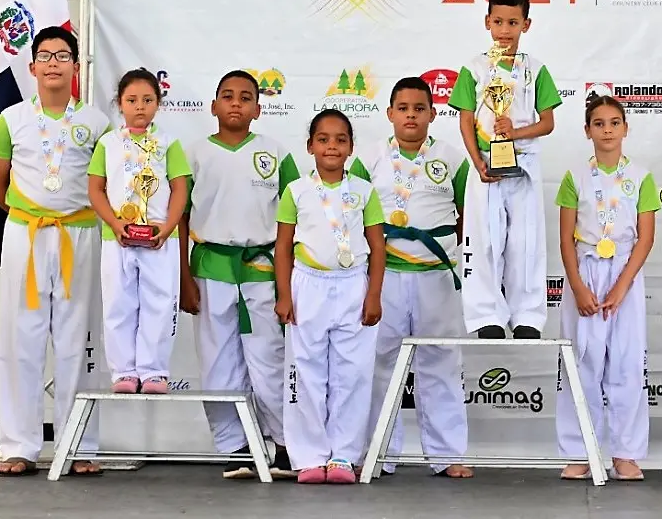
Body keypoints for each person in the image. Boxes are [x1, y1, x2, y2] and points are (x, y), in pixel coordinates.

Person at [0, 27, 110, 477]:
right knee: (20, 338)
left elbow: (108, 184)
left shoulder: (97, 123)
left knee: (80, 339)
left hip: (80, 233)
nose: (53, 62)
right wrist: (31, 212)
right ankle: (18, 445)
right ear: (32, 66)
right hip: (28, 234)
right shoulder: (12, 119)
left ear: (76, 66)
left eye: (63, 55)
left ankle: (79, 445)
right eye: (45, 55)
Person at [178, 70, 300, 479]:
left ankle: (285, 442)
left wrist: (288, 284)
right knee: (217, 362)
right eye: (227, 96)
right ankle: (236, 446)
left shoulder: (275, 153)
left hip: (262, 269)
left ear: (258, 109)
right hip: (210, 266)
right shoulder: (192, 154)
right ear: (213, 106)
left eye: (245, 97)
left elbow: (295, 219)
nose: (236, 103)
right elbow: (179, 219)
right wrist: (183, 278)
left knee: (268, 359)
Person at [351, 77, 472, 479]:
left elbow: (466, 216)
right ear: (389, 114)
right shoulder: (368, 159)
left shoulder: (453, 159)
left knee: (441, 361)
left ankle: (448, 454)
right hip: (384, 275)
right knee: (379, 362)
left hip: (435, 274)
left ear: (432, 114)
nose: (411, 115)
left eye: (419, 108)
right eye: (402, 108)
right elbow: (352, 214)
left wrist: (448, 255)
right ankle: (378, 452)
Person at [275, 109, 385, 484]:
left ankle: (343, 455)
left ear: (352, 147)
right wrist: (284, 295)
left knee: (351, 373)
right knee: (306, 372)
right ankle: (308, 456)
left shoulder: (364, 191)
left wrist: (373, 294)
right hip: (307, 285)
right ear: (310, 146)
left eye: (340, 140)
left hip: (353, 283)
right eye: (323, 139)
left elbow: (377, 247)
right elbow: (283, 247)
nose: (332, 146)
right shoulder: (296, 191)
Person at [448, 0, 563, 339]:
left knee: (525, 242)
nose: (504, 30)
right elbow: (465, 118)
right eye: (498, 21)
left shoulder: (535, 70)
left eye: (513, 22)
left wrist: (515, 133)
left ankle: (527, 315)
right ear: (487, 22)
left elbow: (548, 122)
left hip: (524, 165)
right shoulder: (475, 69)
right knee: (482, 240)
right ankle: (486, 318)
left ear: (525, 25)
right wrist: (476, 161)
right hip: (485, 166)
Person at [555, 96, 657, 482]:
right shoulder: (574, 177)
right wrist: (579, 287)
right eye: (599, 124)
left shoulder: (642, 176)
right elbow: (566, 238)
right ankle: (579, 451)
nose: (608, 130)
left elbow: (645, 238)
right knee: (582, 363)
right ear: (587, 131)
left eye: (615, 122)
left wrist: (621, 287)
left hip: (625, 275)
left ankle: (626, 453)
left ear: (626, 128)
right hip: (585, 271)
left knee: (627, 365)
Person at [88, 68, 190, 395]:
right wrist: (115, 224)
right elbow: (96, 189)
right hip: (116, 239)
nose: (140, 106)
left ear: (158, 103)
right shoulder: (107, 144)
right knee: (119, 303)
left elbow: (180, 189)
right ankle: (124, 372)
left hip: (160, 240)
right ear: (120, 103)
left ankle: (154, 371)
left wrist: (168, 226)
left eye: (148, 100)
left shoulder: (168, 144)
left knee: (159, 305)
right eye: (132, 100)